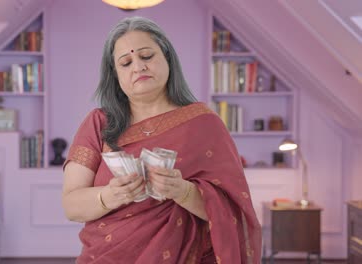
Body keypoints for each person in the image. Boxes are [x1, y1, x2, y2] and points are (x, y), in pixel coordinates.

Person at [62, 16, 261, 263]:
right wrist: (110, 196)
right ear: (116, 76)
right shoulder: (99, 123)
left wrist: (182, 191)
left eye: (146, 56)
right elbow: (71, 205)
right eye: (125, 62)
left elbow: (230, 211)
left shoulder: (204, 124)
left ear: (167, 58)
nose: (138, 67)